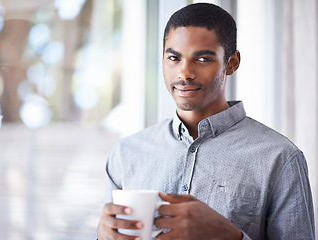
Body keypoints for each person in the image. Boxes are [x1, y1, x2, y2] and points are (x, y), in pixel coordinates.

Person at [98, 3, 315, 240]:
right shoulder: (125, 153)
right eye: (174, 58)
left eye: (202, 59)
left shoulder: (280, 158)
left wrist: (230, 236)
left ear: (231, 63)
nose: (184, 73)